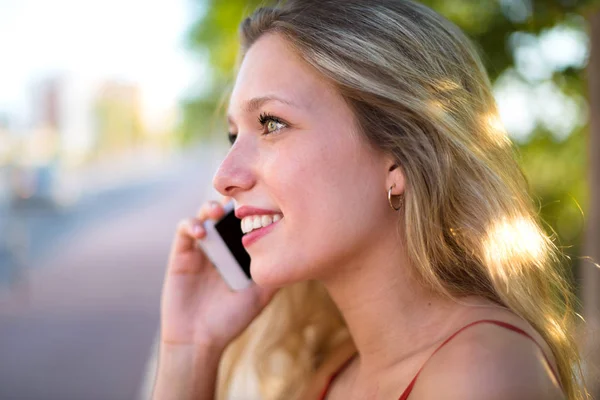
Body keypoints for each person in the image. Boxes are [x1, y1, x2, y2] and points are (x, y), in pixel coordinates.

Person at [152, 0, 587, 399]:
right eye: (234, 134)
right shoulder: (332, 371)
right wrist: (190, 349)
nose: (224, 177)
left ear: (398, 158)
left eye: (271, 123)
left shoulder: (480, 373)